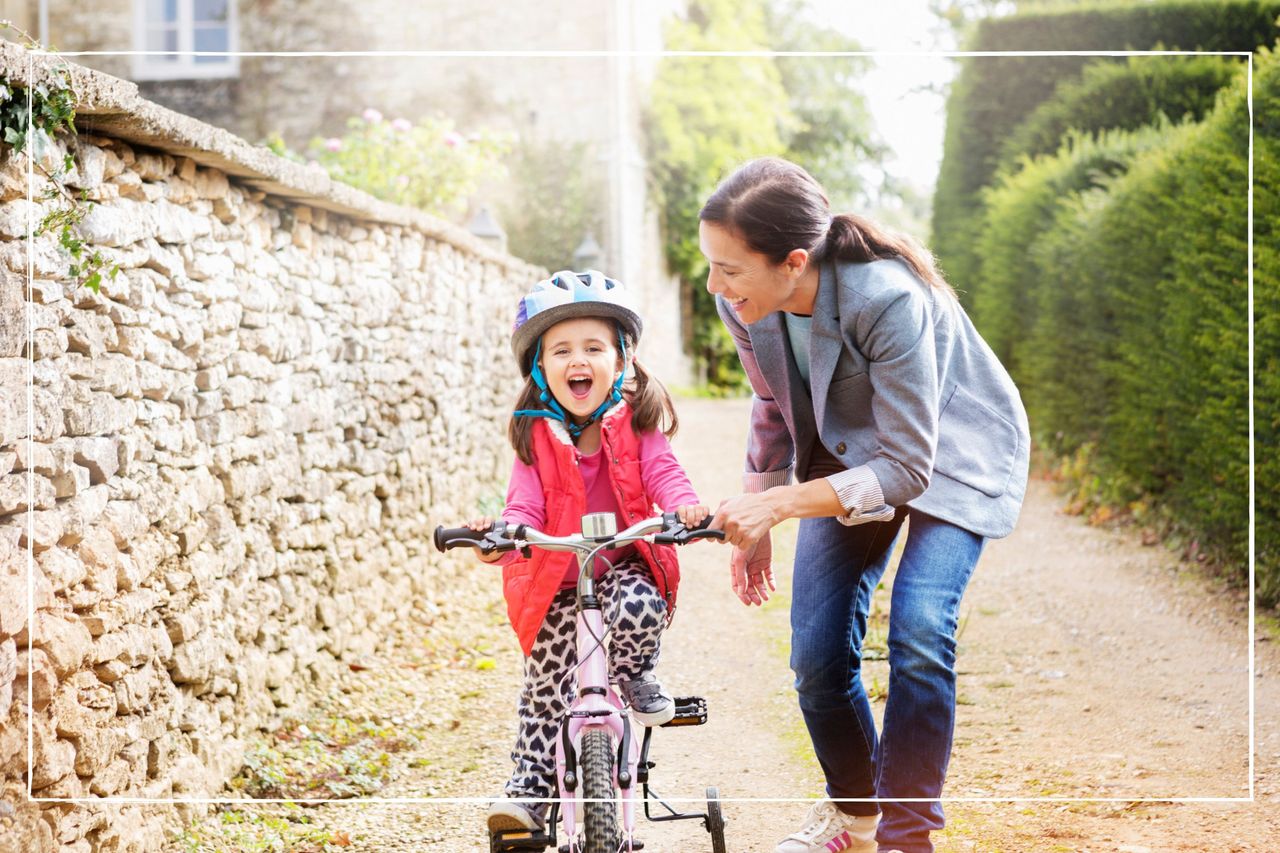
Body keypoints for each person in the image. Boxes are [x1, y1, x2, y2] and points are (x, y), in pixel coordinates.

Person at [702, 158, 1030, 853]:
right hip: (847, 453)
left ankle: (907, 838)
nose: (715, 283)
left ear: (793, 262)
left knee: (917, 627)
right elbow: (772, 404)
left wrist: (786, 504)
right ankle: (857, 814)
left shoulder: (886, 297)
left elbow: (910, 465)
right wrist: (758, 515)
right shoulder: (745, 301)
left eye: (729, 268)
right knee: (816, 657)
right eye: (713, 265)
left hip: (950, 454)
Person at [465, 269, 709, 837]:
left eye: (594, 348)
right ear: (542, 368)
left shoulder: (638, 424)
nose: (580, 360)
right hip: (555, 579)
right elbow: (523, 508)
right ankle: (529, 793)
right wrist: (500, 538)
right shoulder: (534, 437)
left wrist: (686, 509)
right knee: (545, 689)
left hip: (623, 562)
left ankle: (635, 674)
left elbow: (664, 473)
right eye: (562, 350)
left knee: (641, 606)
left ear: (620, 361)